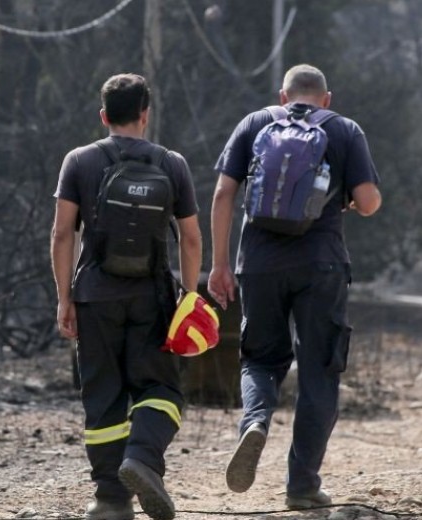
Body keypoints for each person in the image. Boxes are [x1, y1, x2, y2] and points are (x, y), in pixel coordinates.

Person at [208, 64, 381, 509]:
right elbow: (368, 203)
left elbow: (223, 194)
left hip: (260, 265)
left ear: (282, 96)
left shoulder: (254, 123)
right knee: (319, 373)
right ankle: (302, 485)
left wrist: (220, 265)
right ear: (327, 98)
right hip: (321, 265)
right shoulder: (344, 129)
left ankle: (256, 421)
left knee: (260, 360)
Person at [50, 73, 202, 520]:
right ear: (145, 114)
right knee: (161, 389)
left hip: (95, 296)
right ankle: (143, 456)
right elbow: (190, 240)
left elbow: (62, 234)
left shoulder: (78, 161)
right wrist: (189, 298)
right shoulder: (172, 163)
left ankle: (111, 499)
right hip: (152, 297)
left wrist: (64, 298)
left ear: (103, 116)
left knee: (103, 394)